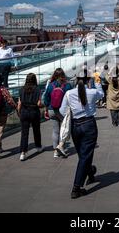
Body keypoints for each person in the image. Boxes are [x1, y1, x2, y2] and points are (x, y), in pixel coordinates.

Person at [59, 69, 104, 199]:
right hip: (89, 125)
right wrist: (98, 82)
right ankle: (76, 187)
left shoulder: (68, 93)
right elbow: (101, 94)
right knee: (85, 156)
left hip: (75, 126)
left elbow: (62, 111)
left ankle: (90, 172)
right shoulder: (92, 92)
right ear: (88, 79)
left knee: (83, 154)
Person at [43, 68, 72, 158]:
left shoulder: (51, 85)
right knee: (64, 129)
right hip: (63, 111)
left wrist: (48, 107)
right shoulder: (67, 85)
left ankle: (55, 151)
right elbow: (71, 97)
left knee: (55, 131)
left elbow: (46, 98)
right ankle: (61, 146)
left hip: (52, 110)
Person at [17, 73, 44, 161]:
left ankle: (23, 153)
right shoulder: (37, 89)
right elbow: (38, 103)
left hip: (24, 112)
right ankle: (38, 147)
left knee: (24, 133)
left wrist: (19, 112)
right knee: (36, 130)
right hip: (34, 112)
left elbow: (19, 103)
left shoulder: (21, 89)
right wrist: (42, 106)